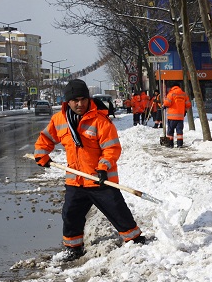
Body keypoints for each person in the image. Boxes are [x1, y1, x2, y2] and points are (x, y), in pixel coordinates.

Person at [34, 79, 145, 262]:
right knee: (70, 214)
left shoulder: (100, 120)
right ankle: (73, 248)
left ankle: (135, 239)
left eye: (83, 99)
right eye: (75, 100)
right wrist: (41, 155)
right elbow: (45, 138)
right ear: (67, 101)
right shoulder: (59, 120)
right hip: (76, 179)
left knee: (117, 210)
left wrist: (103, 167)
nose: (80, 104)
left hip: (100, 179)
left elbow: (112, 148)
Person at [163, 83, 191, 148]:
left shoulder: (171, 93)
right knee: (179, 131)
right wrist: (185, 111)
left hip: (171, 117)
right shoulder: (184, 94)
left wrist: (164, 105)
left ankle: (170, 144)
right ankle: (179, 144)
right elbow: (188, 104)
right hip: (180, 117)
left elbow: (167, 103)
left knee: (170, 131)